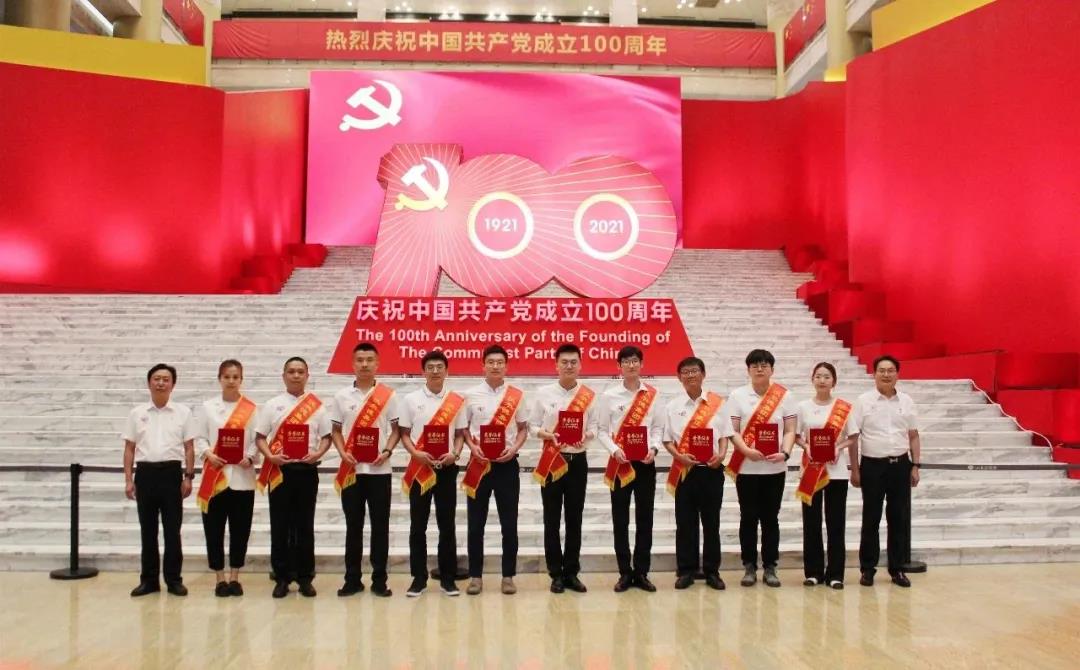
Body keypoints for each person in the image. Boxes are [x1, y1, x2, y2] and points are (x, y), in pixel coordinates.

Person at [255, 357, 333, 598]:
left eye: (300, 372)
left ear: (307, 376)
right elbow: (260, 437)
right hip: (280, 472)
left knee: (305, 525)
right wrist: (271, 456)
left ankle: (305, 577)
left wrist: (318, 454)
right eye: (291, 371)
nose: (296, 375)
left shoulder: (317, 407)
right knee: (280, 525)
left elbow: (327, 437)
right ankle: (281, 577)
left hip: (306, 471)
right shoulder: (272, 405)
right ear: (284, 376)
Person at [330, 343, 400, 598]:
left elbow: (396, 430)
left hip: (380, 471)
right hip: (352, 470)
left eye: (369, 359)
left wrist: (388, 451)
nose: (364, 364)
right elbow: (336, 431)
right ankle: (352, 579)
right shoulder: (341, 396)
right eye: (360, 360)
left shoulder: (388, 395)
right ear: (352, 363)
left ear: (377, 363)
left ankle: (379, 580)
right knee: (353, 526)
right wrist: (342, 453)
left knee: (380, 527)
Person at [529, 343, 599, 594]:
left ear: (580, 365)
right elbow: (532, 426)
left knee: (574, 518)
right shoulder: (543, 393)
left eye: (573, 362)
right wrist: (548, 434)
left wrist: (585, 436)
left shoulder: (589, 395)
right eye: (564, 362)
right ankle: (555, 573)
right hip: (552, 459)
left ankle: (571, 572)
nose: (569, 366)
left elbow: (595, 427)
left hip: (577, 461)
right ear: (556, 365)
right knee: (551, 519)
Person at [122, 363, 196, 597]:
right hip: (145, 475)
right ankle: (149, 580)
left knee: (173, 530)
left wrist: (188, 477)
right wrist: (128, 479)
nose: (161, 383)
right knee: (148, 530)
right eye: (156, 378)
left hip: (172, 474)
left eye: (165, 379)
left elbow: (189, 447)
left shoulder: (183, 412)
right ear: (149, 383)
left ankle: (174, 580)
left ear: (173, 384)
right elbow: (129, 448)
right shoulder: (137, 413)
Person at [848, 355, 922, 588]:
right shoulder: (863, 401)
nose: (886, 374)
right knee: (871, 517)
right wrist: (855, 469)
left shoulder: (907, 401)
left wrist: (916, 465)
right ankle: (867, 569)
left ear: (897, 374)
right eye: (882, 370)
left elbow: (913, 435)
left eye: (891, 370)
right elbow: (853, 438)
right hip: (872, 466)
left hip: (900, 465)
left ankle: (897, 569)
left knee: (898, 518)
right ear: (874, 374)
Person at [399, 350, 468, 597]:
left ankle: (448, 579)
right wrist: (415, 453)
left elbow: (459, 434)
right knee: (418, 525)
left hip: (447, 469)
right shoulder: (410, 399)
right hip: (420, 468)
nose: (435, 371)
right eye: (431, 367)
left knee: (446, 525)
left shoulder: (456, 401)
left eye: (440, 367)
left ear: (447, 371)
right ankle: (418, 579)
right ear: (423, 371)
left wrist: (455, 454)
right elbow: (404, 433)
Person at [727, 349, 798, 588]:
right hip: (746, 468)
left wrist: (785, 453)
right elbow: (733, 431)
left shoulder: (785, 396)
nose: (760, 369)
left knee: (770, 519)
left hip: (774, 469)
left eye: (764, 365)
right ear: (748, 370)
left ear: (772, 369)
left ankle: (770, 566)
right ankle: (749, 566)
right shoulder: (737, 396)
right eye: (755, 365)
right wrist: (746, 451)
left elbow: (790, 430)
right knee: (748, 518)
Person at [461, 345, 528, 596]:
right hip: (478, 464)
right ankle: (475, 577)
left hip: (507, 465)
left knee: (509, 524)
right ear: (483, 365)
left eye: (500, 362)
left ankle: (508, 576)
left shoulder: (516, 395)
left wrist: (514, 449)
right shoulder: (470, 395)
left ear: (506, 366)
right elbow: (463, 428)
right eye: (491, 362)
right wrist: (472, 447)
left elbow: (523, 428)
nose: (495, 366)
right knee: (475, 524)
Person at [663, 356, 733, 591]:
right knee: (685, 523)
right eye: (685, 372)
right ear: (679, 377)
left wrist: (721, 455)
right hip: (685, 471)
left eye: (694, 371)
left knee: (712, 523)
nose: (690, 375)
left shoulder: (718, 404)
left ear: (703, 374)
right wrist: (679, 457)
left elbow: (725, 435)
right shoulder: (672, 406)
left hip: (711, 470)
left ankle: (712, 571)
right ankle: (686, 570)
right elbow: (667, 440)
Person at [598, 345, 663, 593]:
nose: (631, 365)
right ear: (619, 366)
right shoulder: (609, 396)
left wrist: (654, 448)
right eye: (626, 361)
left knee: (645, 519)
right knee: (620, 519)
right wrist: (615, 450)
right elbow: (602, 430)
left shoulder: (653, 395)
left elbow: (658, 428)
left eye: (635, 360)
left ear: (641, 364)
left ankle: (642, 572)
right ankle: (625, 572)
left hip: (645, 463)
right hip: (620, 463)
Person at [194, 359, 258, 597]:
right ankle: (219, 578)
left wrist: (250, 456)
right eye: (227, 377)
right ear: (219, 379)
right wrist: (208, 454)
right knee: (214, 529)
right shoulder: (208, 407)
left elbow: (257, 439)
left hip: (242, 478)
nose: (231, 381)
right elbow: (199, 437)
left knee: (240, 530)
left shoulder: (251, 409)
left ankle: (235, 577)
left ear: (241, 379)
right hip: (215, 477)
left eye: (235, 377)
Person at [794, 362, 854, 589]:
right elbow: (796, 435)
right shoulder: (803, 407)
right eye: (818, 376)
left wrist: (838, 447)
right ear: (812, 379)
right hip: (811, 471)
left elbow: (853, 436)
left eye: (827, 376)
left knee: (835, 523)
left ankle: (836, 574)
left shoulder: (843, 408)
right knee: (811, 523)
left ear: (834, 381)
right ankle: (813, 572)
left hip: (836, 473)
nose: (822, 380)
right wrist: (806, 446)